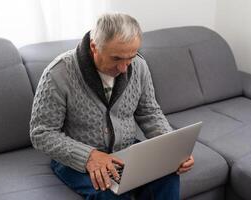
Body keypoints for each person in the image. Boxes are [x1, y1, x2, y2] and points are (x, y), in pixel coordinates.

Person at [30, 13, 194, 200]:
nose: (124, 68)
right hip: (76, 157)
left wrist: (172, 148)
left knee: (168, 175)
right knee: (111, 195)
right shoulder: (58, 74)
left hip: (126, 151)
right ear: (94, 47)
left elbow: (149, 112)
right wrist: (89, 156)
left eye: (130, 57)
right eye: (116, 58)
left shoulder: (139, 66)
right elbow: (41, 133)